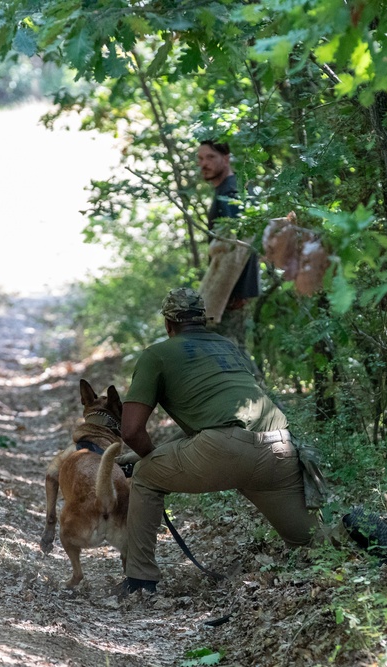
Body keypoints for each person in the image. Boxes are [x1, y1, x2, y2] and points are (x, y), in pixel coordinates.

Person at [113, 287, 321, 598]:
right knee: (312, 542)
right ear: (204, 320)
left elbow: (131, 431)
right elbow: (221, 418)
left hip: (222, 451)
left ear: (168, 324)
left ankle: (140, 582)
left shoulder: (156, 355)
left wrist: (146, 460)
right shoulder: (229, 346)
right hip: (280, 446)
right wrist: (150, 455)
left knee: (145, 476)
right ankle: (365, 533)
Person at [197, 140, 260, 352]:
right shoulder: (230, 189)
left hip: (231, 296)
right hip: (232, 294)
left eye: (210, 157)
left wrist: (225, 296)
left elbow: (238, 246)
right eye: (200, 158)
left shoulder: (231, 192)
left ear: (226, 158)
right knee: (231, 355)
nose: (204, 164)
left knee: (231, 357)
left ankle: (256, 386)